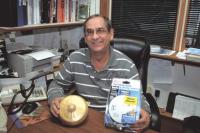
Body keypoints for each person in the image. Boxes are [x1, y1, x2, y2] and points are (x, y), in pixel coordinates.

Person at [47, 14, 151, 132]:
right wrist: (54, 99)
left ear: (111, 34)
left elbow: (139, 98)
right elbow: (57, 84)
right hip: (83, 119)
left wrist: (146, 114)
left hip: (113, 125)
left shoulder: (126, 66)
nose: (95, 37)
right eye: (89, 32)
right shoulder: (75, 59)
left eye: (100, 31)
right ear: (85, 38)